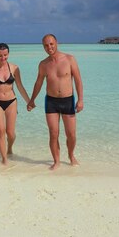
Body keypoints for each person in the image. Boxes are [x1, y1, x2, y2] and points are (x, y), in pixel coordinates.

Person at [27, 34, 83, 170]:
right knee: (53, 133)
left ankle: (70, 155)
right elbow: (39, 83)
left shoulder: (70, 59)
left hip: (68, 100)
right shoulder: (43, 64)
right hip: (51, 101)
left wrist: (80, 99)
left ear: (56, 42)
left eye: (51, 44)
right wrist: (32, 100)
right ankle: (56, 161)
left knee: (71, 134)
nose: (49, 47)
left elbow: (78, 80)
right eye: (46, 45)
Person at [0, 43, 31, 165]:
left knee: (10, 133)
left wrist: (29, 101)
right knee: (0, 130)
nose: (3, 58)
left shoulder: (14, 68)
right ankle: (4, 159)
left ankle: (9, 148)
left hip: (11, 102)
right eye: (0, 56)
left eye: (5, 55)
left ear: (8, 54)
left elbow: (19, 86)